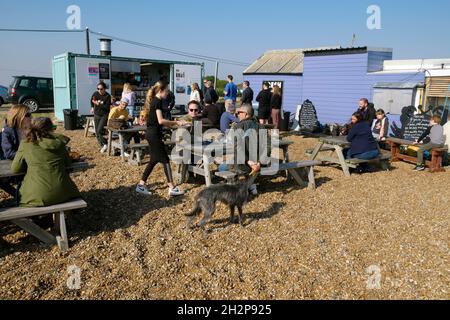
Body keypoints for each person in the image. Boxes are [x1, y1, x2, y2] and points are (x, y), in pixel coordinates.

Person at [11, 117, 80, 207]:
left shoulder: (26, 144)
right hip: (63, 192)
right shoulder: (59, 143)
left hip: (36, 195)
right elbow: (68, 164)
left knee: (19, 192)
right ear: (51, 129)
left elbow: (15, 169)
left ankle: (39, 220)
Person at [136, 81, 186, 197]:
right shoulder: (157, 102)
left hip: (152, 133)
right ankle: (172, 187)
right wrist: (177, 122)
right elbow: (160, 120)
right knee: (165, 160)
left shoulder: (155, 101)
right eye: (167, 91)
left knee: (153, 160)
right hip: (153, 135)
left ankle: (141, 184)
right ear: (160, 91)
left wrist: (174, 125)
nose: (168, 93)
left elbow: (158, 122)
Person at [91, 82, 112, 153]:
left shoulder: (107, 96)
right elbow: (92, 100)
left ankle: (106, 143)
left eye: (101, 89)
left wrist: (98, 104)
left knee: (99, 130)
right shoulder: (95, 94)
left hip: (104, 115)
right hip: (96, 114)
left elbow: (107, 107)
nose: (99, 90)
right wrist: (92, 107)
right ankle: (102, 145)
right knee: (97, 132)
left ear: (104, 89)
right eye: (98, 89)